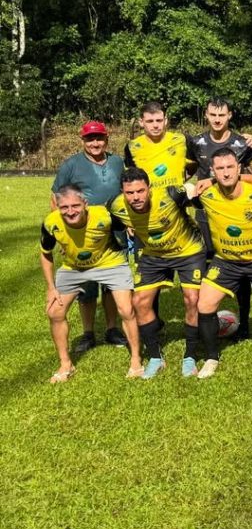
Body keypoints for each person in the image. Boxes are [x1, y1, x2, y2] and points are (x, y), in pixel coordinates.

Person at [192, 148, 252, 379]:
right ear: (212, 171)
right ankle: (211, 358)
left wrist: (245, 177)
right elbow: (173, 197)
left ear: (239, 168)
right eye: (220, 169)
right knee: (204, 305)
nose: (226, 173)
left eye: (230, 167)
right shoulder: (204, 193)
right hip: (226, 262)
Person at [109, 168, 205, 379]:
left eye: (140, 191)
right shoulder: (115, 206)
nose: (136, 197)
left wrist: (196, 188)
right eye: (130, 193)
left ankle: (190, 356)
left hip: (188, 251)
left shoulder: (171, 195)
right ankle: (155, 357)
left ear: (149, 189)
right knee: (140, 302)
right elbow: (106, 225)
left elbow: (198, 197)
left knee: (192, 299)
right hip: (154, 254)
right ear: (122, 192)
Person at [40, 185, 142, 383]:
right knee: (54, 312)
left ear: (85, 204)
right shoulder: (51, 223)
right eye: (64, 207)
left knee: (127, 309)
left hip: (110, 263)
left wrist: (130, 229)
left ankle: (136, 359)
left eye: (75, 206)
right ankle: (65, 364)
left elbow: (131, 224)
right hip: (73, 268)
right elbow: (45, 254)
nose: (70, 212)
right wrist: (51, 288)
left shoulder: (104, 216)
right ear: (57, 207)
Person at [187, 97, 252, 340]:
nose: (217, 119)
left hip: (237, 214)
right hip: (206, 213)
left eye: (222, 115)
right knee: (209, 267)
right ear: (206, 115)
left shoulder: (242, 143)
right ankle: (210, 320)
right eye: (213, 115)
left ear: (230, 115)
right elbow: (188, 170)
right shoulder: (196, 143)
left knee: (240, 268)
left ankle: (244, 323)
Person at [51, 120, 127, 352]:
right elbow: (55, 199)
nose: (95, 143)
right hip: (82, 233)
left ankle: (112, 328)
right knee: (86, 285)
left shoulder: (117, 162)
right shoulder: (71, 165)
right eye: (90, 139)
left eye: (99, 138)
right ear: (82, 140)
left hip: (114, 231)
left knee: (112, 283)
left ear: (107, 139)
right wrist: (63, 233)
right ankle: (88, 333)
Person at [124, 101, 192, 191]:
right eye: (150, 121)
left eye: (159, 120)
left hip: (177, 198)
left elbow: (196, 166)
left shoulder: (182, 140)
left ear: (165, 120)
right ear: (141, 122)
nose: (155, 125)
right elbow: (131, 179)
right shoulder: (131, 147)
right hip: (150, 199)